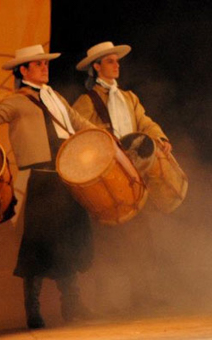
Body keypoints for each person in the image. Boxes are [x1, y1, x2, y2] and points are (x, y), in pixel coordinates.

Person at [0, 44, 96, 329]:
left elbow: (78, 122)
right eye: (38, 64)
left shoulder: (54, 96)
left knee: (67, 238)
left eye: (45, 63)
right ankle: (33, 309)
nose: (44, 67)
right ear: (24, 70)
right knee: (38, 242)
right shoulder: (16, 101)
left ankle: (72, 304)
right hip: (42, 177)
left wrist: (103, 137)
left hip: (67, 175)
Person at [72, 41, 170, 312]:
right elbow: (79, 137)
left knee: (142, 236)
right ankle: (111, 298)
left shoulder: (128, 97)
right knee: (112, 240)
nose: (117, 65)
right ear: (97, 66)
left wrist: (159, 137)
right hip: (109, 179)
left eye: (117, 60)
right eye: (110, 61)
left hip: (134, 173)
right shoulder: (87, 101)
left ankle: (143, 293)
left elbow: (144, 122)